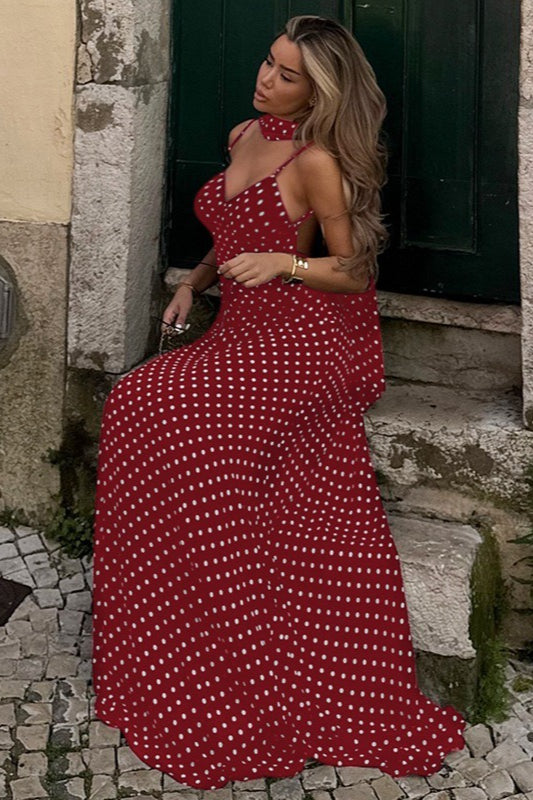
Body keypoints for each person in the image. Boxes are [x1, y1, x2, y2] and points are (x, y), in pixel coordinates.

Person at [91, 15, 465, 791]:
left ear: (318, 90)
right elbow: (229, 231)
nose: (266, 78)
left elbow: (354, 272)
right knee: (135, 399)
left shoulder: (316, 161)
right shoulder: (241, 135)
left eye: (287, 74)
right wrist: (195, 282)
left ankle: (228, 620)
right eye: (268, 61)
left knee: (183, 420)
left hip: (306, 338)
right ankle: (170, 617)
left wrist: (285, 263)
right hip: (239, 330)